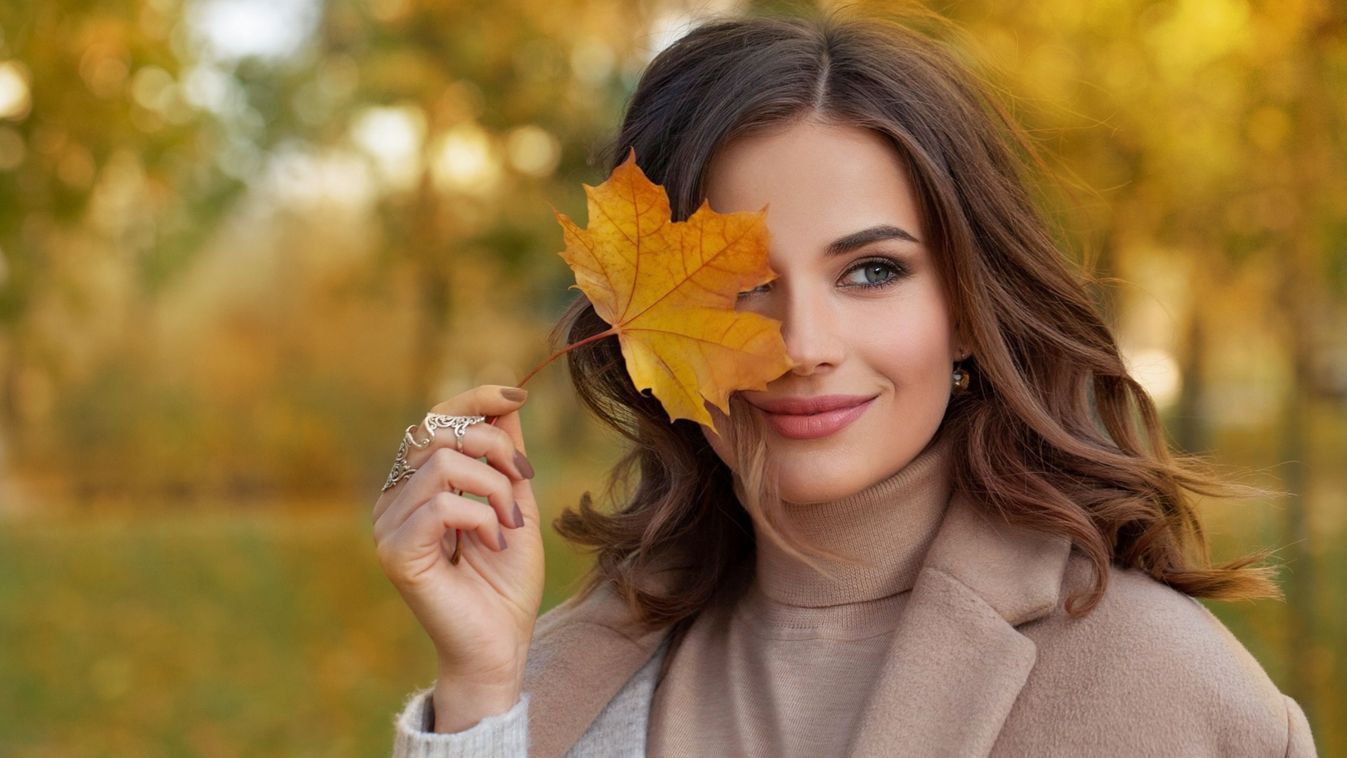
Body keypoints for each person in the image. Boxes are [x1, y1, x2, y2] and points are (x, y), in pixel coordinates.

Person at [372, 9, 1319, 757]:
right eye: (741, 285)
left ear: (967, 311)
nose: (803, 344)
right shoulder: (561, 675)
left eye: (871, 271)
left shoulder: (1165, 690)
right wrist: (481, 696)